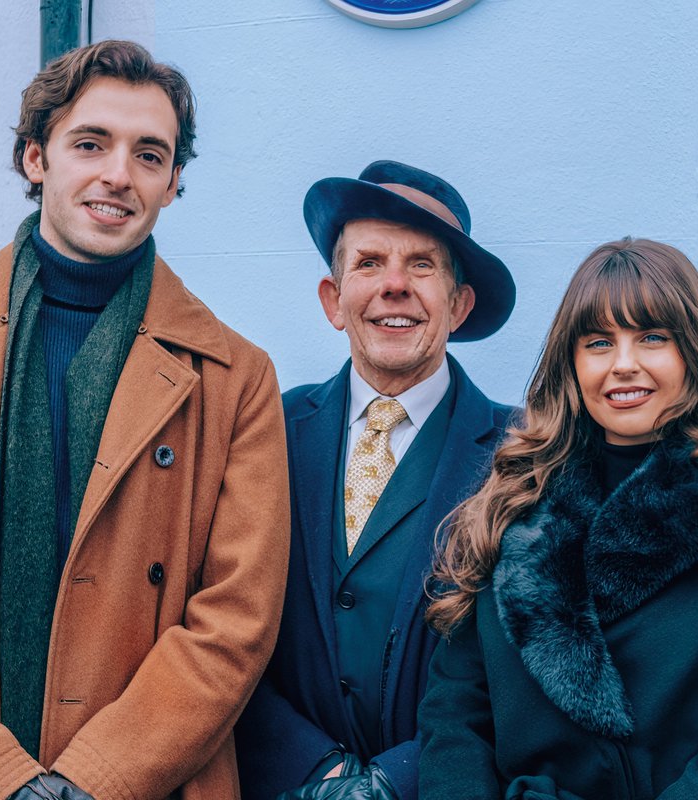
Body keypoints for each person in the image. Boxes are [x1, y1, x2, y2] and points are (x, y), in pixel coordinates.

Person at [0, 40, 290, 800]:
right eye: (91, 144)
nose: (119, 174)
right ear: (35, 159)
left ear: (174, 184)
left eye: (150, 155)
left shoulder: (238, 380)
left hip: (155, 782)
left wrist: (98, 780)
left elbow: (235, 620)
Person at [418, 238, 698, 800]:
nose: (623, 364)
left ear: (694, 352)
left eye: (652, 338)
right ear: (572, 364)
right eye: (598, 342)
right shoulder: (504, 513)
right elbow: (454, 715)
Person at [234, 161, 517, 800]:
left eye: (422, 265)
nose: (394, 285)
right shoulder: (264, 431)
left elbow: (530, 660)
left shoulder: (523, 457)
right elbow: (216, 616)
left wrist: (397, 782)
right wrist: (314, 772)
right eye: (368, 264)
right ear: (334, 301)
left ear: (459, 304)